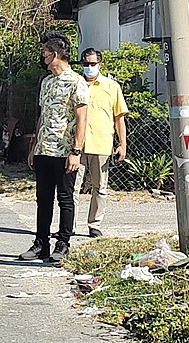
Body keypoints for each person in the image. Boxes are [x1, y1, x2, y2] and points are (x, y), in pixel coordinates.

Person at [19, 31, 88, 263]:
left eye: (45, 53)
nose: (43, 57)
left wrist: (76, 151)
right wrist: (33, 146)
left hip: (65, 151)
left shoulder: (77, 82)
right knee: (43, 199)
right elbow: (42, 116)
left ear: (55, 54)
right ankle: (41, 243)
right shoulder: (46, 82)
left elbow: (82, 119)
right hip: (43, 150)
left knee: (66, 199)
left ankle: (63, 243)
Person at [73, 48, 127, 239]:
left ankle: (94, 224)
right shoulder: (75, 85)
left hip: (102, 143)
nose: (89, 67)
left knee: (100, 187)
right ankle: (69, 224)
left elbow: (119, 117)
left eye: (92, 64)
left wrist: (122, 144)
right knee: (72, 187)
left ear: (100, 64)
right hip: (76, 145)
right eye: (86, 64)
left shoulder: (112, 87)